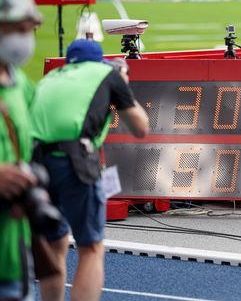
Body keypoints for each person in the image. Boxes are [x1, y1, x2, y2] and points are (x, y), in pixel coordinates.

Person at [32, 39, 149, 301]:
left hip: (35, 165)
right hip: (76, 163)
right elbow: (141, 127)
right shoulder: (107, 74)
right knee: (91, 248)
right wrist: (123, 88)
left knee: (54, 243)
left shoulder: (51, 78)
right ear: (98, 61)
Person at [0, 0, 42, 301]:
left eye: (30, 29)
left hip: (14, 253)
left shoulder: (22, 86)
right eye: (18, 29)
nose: (25, 38)